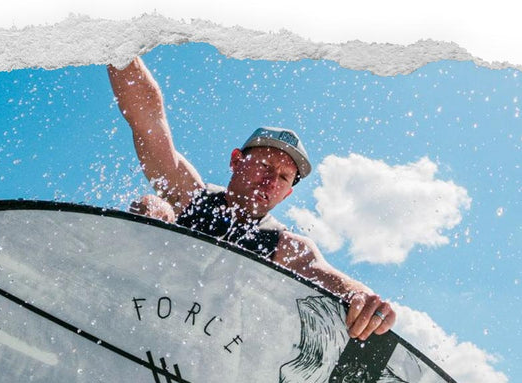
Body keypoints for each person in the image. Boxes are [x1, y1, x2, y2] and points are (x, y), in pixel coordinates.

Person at [107, 56, 396, 341]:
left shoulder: (287, 247)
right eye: (266, 167)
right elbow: (148, 120)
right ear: (236, 161)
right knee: (153, 205)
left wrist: (363, 299)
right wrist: (119, 46)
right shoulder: (189, 195)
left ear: (287, 194)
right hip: (141, 314)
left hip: (217, 349)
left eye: (283, 178)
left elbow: (324, 274)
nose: (271, 181)